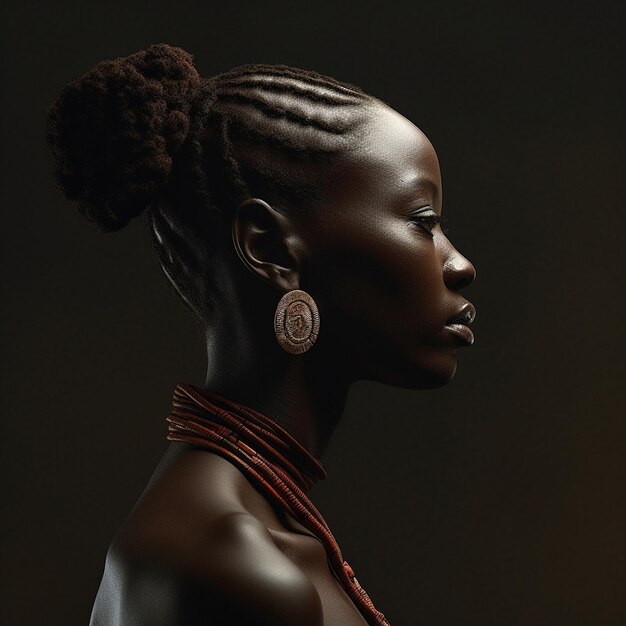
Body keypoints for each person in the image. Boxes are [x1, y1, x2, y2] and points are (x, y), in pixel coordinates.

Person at [47, 43, 476, 626]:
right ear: (270, 248)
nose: (459, 265)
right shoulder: (231, 567)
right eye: (423, 223)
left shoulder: (253, 533)